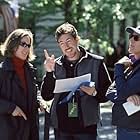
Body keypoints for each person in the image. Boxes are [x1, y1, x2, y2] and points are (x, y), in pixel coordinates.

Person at [41, 22, 111, 140]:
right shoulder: (55, 65)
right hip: (61, 126)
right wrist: (49, 72)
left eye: (68, 40)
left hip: (86, 127)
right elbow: (46, 96)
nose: (66, 46)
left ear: (77, 39)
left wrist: (94, 93)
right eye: (61, 43)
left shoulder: (96, 62)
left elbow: (107, 94)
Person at [0, 29, 39, 140]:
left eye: (28, 45)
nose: (26, 48)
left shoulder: (30, 70)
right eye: (23, 44)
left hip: (30, 131)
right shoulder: (2, 71)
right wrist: (11, 108)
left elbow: (34, 92)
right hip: (9, 131)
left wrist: (39, 101)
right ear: (13, 44)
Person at [106, 25, 140, 140]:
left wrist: (119, 67)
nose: (131, 39)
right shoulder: (131, 65)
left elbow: (122, 92)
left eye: (136, 38)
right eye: (131, 36)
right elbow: (109, 92)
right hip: (125, 126)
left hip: (134, 129)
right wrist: (126, 97)